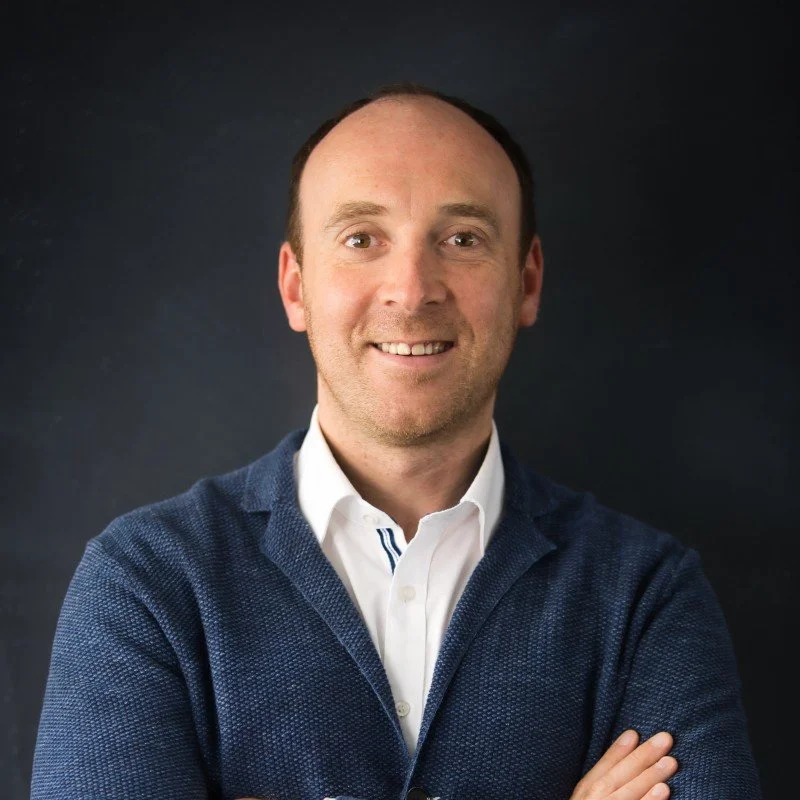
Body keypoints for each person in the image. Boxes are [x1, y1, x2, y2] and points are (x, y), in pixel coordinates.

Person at [30, 82, 762, 800]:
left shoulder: (645, 594)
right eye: (361, 238)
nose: (411, 291)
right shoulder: (147, 584)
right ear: (296, 287)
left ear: (527, 281)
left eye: (462, 239)